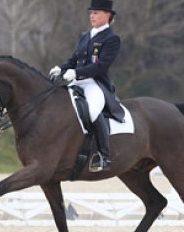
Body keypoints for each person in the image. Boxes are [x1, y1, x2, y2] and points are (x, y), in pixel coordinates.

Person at [49, 0, 124, 172]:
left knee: (92, 110)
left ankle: (105, 156)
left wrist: (77, 73)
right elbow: (74, 60)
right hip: (77, 81)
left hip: (95, 83)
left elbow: (101, 66)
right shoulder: (85, 36)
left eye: (96, 13)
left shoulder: (112, 39)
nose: (92, 16)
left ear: (108, 15)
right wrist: (61, 68)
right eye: (91, 13)